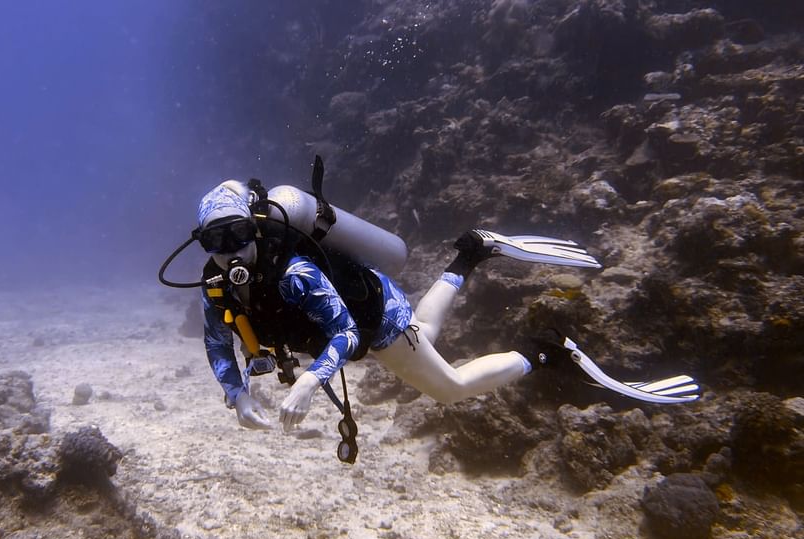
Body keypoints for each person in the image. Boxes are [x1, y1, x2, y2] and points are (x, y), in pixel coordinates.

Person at [181, 179, 699, 434]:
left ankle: (548, 352)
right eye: (215, 241)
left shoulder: (294, 272)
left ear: (256, 229)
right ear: (202, 245)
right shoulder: (217, 286)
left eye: (238, 234)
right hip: (376, 303)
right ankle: (471, 253)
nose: (229, 251)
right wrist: (237, 395)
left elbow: (343, 332)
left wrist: (313, 381)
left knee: (448, 388)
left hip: (373, 318)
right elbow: (215, 341)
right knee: (425, 329)